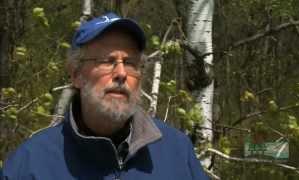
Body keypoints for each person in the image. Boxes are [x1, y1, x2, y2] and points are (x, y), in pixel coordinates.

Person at [1, 12, 209, 180]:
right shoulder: (31, 164)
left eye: (129, 63)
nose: (121, 73)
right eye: (107, 61)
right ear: (76, 75)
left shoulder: (178, 153)